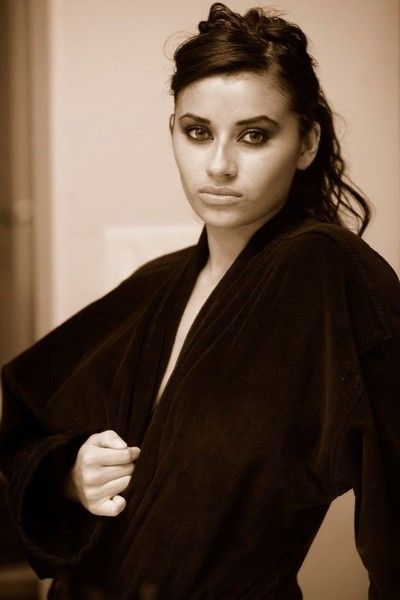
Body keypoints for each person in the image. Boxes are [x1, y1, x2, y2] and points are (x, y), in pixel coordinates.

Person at [0, 3, 399, 599]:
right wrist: (70, 475)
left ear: (308, 141)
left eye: (254, 135)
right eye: (198, 132)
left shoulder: (330, 274)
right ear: (174, 133)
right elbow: (27, 417)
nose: (218, 165)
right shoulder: (156, 285)